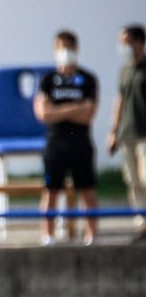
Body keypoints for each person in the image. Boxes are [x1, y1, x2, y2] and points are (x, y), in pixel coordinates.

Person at [34, 31, 99, 246]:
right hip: (55, 143)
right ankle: (48, 236)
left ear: (76, 49)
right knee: (51, 192)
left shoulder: (87, 79)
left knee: (87, 190)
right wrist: (75, 108)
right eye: (61, 47)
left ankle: (91, 236)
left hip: (80, 143)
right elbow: (44, 114)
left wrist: (58, 110)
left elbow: (89, 115)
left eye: (69, 47)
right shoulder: (48, 80)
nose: (65, 52)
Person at [107, 24, 146, 241]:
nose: (123, 47)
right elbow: (119, 100)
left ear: (139, 42)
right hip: (127, 134)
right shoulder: (125, 70)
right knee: (133, 182)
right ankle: (142, 224)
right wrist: (114, 131)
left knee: (145, 178)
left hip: (144, 134)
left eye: (127, 42)